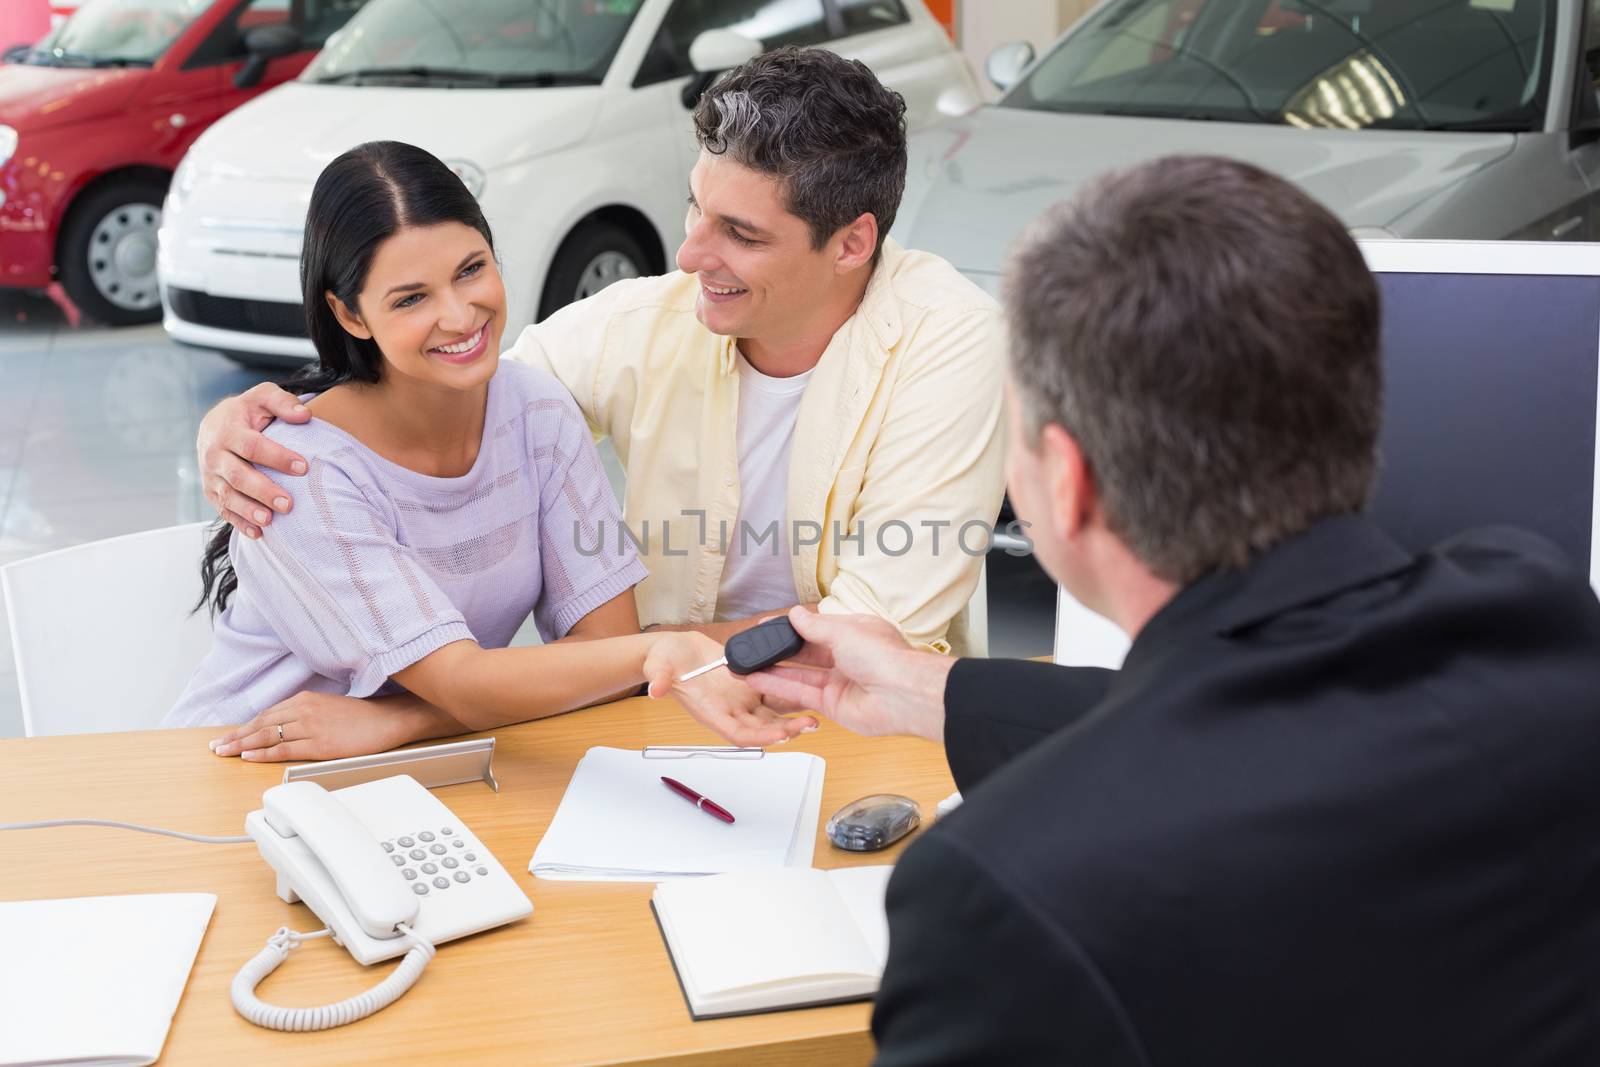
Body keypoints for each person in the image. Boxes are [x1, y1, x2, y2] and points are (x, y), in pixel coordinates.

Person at [746, 156, 1600, 1064]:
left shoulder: (1007, 893)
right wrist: (936, 690)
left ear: (1066, 483)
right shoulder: (1543, 619)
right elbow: (1272, 731)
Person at [193, 48, 1006, 673]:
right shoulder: (649, 320)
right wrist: (242, 421)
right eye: (696, 206)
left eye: (741, 234)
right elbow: (457, 385)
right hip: (659, 719)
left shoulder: (953, 343)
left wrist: (620, 665)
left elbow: (868, 635)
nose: (689, 255)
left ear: (852, 243)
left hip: (864, 729)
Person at [168, 141, 815, 760]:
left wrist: (397, 723)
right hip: (241, 757)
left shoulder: (537, 413)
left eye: (471, 269)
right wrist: (662, 653)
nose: (459, 314)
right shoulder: (299, 471)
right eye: (411, 297)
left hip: (434, 760)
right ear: (350, 315)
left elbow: (604, 650)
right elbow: (470, 679)